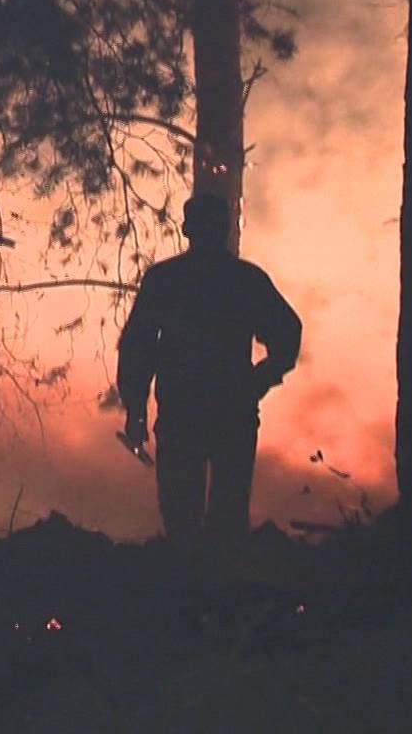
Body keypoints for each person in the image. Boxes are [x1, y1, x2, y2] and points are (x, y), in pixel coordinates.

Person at [116, 193, 302, 541]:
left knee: (185, 521)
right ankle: (216, 588)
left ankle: (189, 588)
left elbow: (137, 348)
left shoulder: (165, 280)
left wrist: (136, 408)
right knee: (224, 522)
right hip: (226, 413)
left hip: (188, 413)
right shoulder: (245, 281)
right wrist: (260, 380)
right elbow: (287, 333)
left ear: (188, 229)